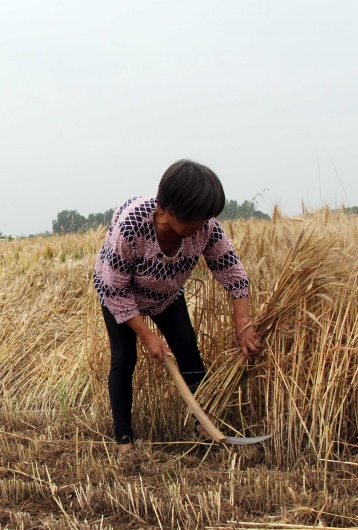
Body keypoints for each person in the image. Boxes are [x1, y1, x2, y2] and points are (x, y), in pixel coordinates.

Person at [93, 159, 261, 453]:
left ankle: (204, 425)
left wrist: (243, 324)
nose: (202, 225)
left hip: (167, 295)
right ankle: (124, 440)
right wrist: (147, 336)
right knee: (124, 358)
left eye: (206, 217)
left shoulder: (206, 227)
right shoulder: (132, 226)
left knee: (188, 352)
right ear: (167, 211)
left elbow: (232, 272)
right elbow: (115, 288)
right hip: (121, 296)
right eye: (196, 218)